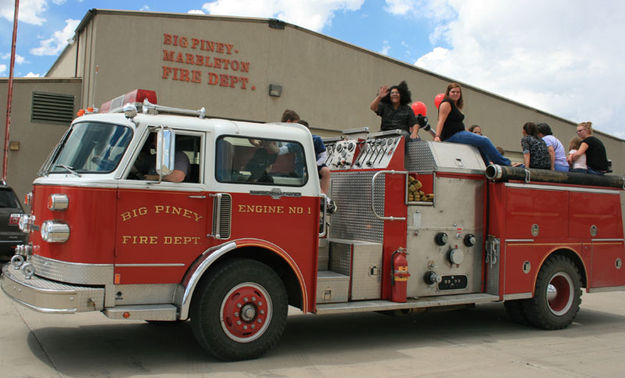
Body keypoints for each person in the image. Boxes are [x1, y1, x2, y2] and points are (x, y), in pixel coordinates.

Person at [433, 83, 510, 166]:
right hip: (451, 136)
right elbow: (441, 121)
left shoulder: (456, 106)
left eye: (458, 92)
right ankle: (506, 163)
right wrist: (437, 136)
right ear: (448, 93)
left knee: (480, 144)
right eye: (453, 92)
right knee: (485, 140)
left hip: (459, 134)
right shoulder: (446, 103)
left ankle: (487, 166)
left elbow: (459, 124)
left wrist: (471, 134)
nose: (455, 94)